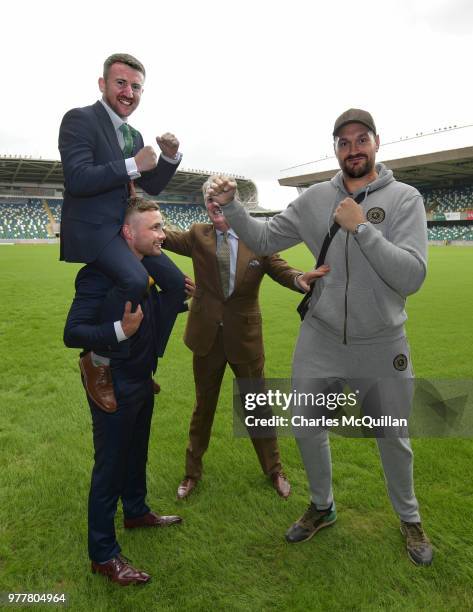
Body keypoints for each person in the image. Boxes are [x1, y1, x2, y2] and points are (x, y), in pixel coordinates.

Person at [208, 110, 433, 566]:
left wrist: (362, 227)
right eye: (344, 141)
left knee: (392, 436)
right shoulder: (314, 199)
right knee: (308, 425)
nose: (354, 148)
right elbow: (265, 237)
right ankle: (322, 506)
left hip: (382, 342)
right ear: (336, 149)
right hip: (321, 336)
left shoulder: (405, 199)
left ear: (376, 143)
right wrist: (233, 206)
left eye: (361, 139)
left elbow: (411, 276)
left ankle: (409, 519)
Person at [163, 176, 329, 500]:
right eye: (209, 200)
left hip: (245, 337)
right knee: (203, 407)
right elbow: (163, 239)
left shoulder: (257, 237)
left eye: (219, 198)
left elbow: (281, 268)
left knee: (258, 407)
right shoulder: (198, 235)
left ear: (232, 202)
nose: (214, 205)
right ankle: (191, 473)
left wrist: (299, 278)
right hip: (206, 337)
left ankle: (274, 470)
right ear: (206, 205)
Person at [64, 198, 184, 586]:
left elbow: (155, 305)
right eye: (155, 228)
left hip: (140, 376)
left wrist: (174, 303)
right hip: (111, 383)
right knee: (110, 468)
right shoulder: (97, 275)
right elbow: (73, 333)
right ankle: (103, 555)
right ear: (128, 233)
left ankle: (135, 511)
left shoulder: (144, 267)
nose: (163, 234)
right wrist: (120, 331)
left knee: (136, 452)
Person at [59, 52, 186, 400]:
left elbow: (152, 186)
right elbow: (78, 178)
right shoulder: (79, 120)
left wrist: (170, 157)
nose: (129, 92)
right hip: (97, 231)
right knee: (133, 279)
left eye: (136, 87)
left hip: (127, 230)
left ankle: (143, 366)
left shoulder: (133, 133)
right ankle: (96, 360)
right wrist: (132, 164)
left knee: (175, 284)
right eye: (121, 83)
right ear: (103, 84)